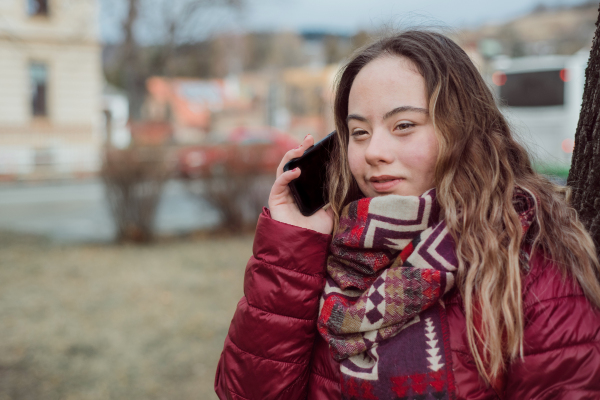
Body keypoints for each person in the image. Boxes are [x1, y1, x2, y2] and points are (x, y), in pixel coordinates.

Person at [214, 30, 600, 400]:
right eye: (359, 132)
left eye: (404, 126)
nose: (373, 151)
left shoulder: (528, 269)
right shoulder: (333, 253)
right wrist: (291, 249)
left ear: (463, 130)